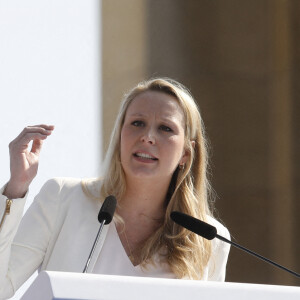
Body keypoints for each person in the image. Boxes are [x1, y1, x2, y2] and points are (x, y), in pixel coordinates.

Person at [0, 78, 230, 299]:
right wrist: (16, 187)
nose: (147, 137)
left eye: (165, 128)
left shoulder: (209, 238)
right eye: (137, 123)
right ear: (120, 135)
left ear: (185, 154)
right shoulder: (63, 198)